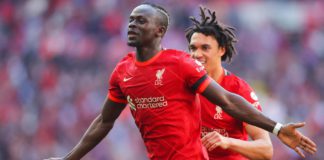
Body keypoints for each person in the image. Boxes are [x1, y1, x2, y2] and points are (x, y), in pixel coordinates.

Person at [46, 3, 316, 160]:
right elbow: (105, 120)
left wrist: (277, 129)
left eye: (140, 21)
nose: (131, 25)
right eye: (130, 20)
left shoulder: (183, 68)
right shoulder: (123, 71)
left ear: (159, 31)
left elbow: (230, 104)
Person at [186, 6, 273, 160]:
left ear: (222, 50)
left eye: (205, 48)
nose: (197, 54)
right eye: (193, 48)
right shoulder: (183, 85)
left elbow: (266, 150)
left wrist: (228, 142)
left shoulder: (239, 90)